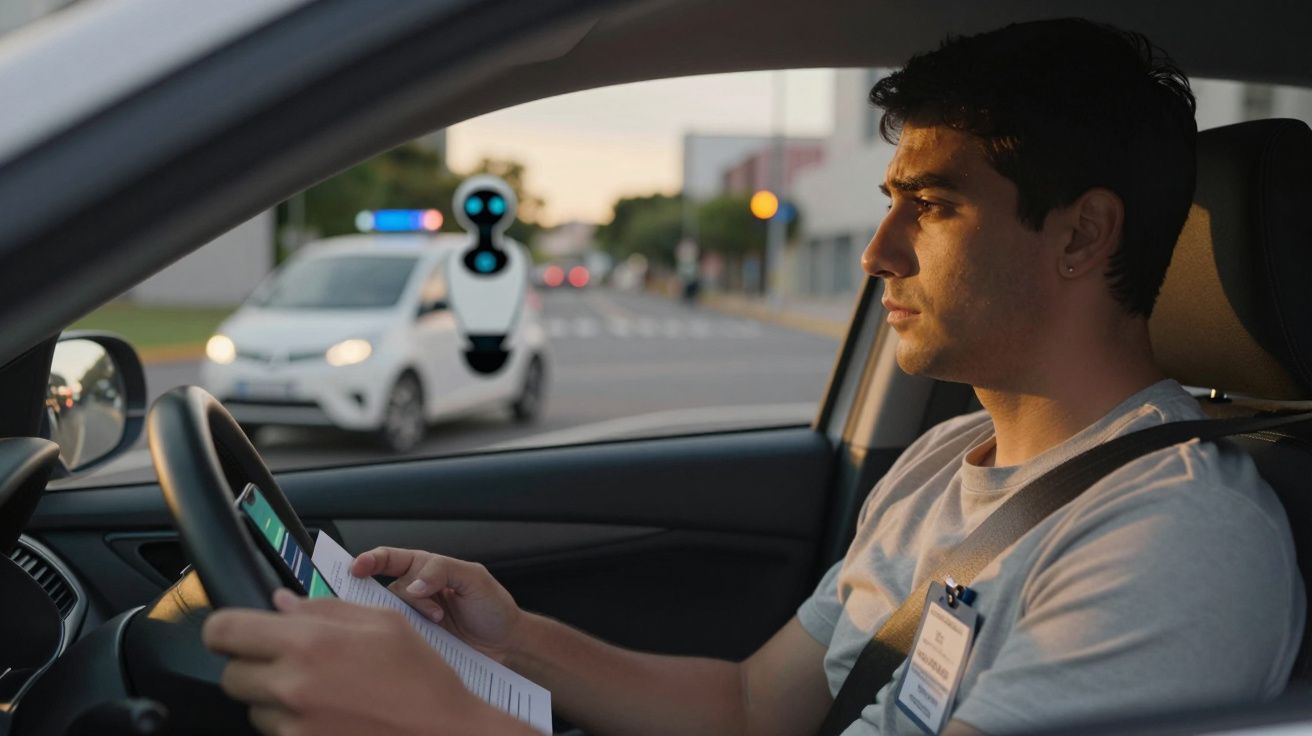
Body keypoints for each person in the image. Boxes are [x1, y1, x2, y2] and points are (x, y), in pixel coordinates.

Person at [201, 18, 1303, 736]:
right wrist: (505, 638)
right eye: (886, 201)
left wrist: (445, 722)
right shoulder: (939, 461)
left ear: (1081, 236)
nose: (877, 252)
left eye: (934, 205)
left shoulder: (1176, 548)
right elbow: (751, 705)